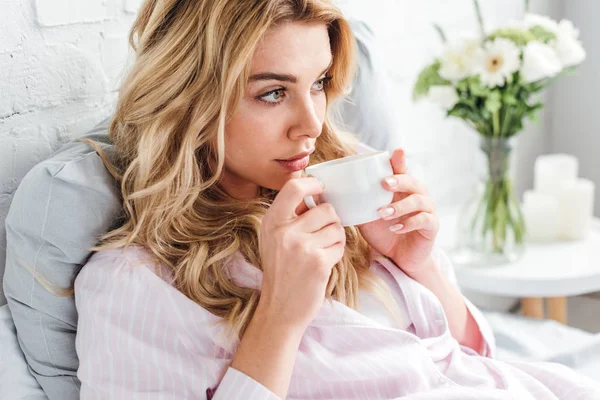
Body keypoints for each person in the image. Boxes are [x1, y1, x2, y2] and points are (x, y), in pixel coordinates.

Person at [74, 0, 600, 399]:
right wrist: (279, 316)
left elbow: (470, 352)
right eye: (273, 92)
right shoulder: (134, 284)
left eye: (320, 83)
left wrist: (419, 268)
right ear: (190, 99)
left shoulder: (346, 189)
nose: (313, 123)